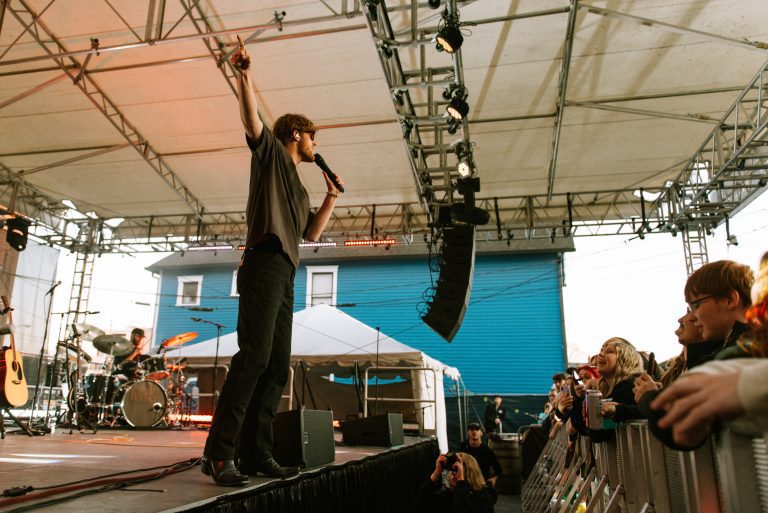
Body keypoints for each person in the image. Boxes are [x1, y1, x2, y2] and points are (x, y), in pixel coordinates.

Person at [201, 35, 344, 486]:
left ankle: (256, 453)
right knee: (254, 357)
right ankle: (219, 455)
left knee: (277, 365)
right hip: (263, 263)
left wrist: (331, 197)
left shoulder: (298, 187)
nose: (315, 143)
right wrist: (244, 76)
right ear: (296, 135)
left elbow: (311, 235)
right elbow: (252, 121)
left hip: (286, 271)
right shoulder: (271, 157)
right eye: (312, 136)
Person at [650, 252, 768, 449]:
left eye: (695, 305)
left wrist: (648, 397)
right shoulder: (745, 348)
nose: (691, 317)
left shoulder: (749, 349)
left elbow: (667, 414)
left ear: (730, 299)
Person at [416, 452, 497, 513]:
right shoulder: (450, 494)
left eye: (456, 469)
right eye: (452, 469)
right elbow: (422, 502)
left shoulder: (484, 497)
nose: (453, 473)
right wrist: (436, 473)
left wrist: (460, 481)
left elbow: (463, 509)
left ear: (470, 472)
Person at [458, 422, 502, 487]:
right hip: (466, 484)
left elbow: (499, 470)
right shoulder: (463, 447)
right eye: (471, 429)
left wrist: (494, 479)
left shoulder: (487, 451)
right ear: (468, 433)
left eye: (477, 429)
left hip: (482, 484)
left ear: (481, 433)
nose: (474, 431)